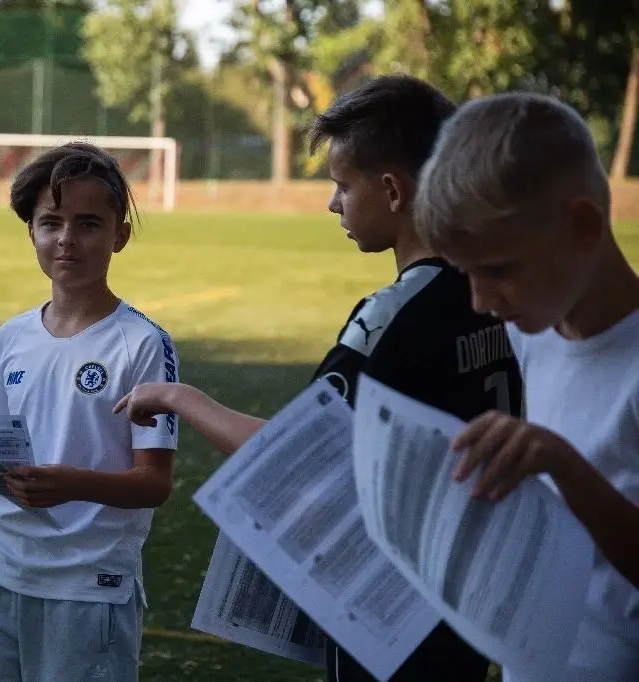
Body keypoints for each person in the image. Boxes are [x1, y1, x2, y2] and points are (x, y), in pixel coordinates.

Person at [114, 74, 523, 681]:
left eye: (341, 185)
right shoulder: (497, 293)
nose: (334, 204)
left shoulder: (392, 315)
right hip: (467, 595)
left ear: (391, 189)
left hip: (390, 605)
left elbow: (295, 453)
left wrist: (177, 395)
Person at [0, 142, 180, 682]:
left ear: (120, 236)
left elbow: (154, 483)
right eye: (51, 222)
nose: (67, 240)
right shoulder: (12, 335)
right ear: (32, 233)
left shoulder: (142, 343)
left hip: (86, 585)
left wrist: (74, 484)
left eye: (88, 224)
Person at [413, 91, 639, 681]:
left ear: (582, 224)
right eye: (467, 274)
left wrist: (561, 463)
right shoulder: (535, 332)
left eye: (499, 270)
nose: (482, 302)